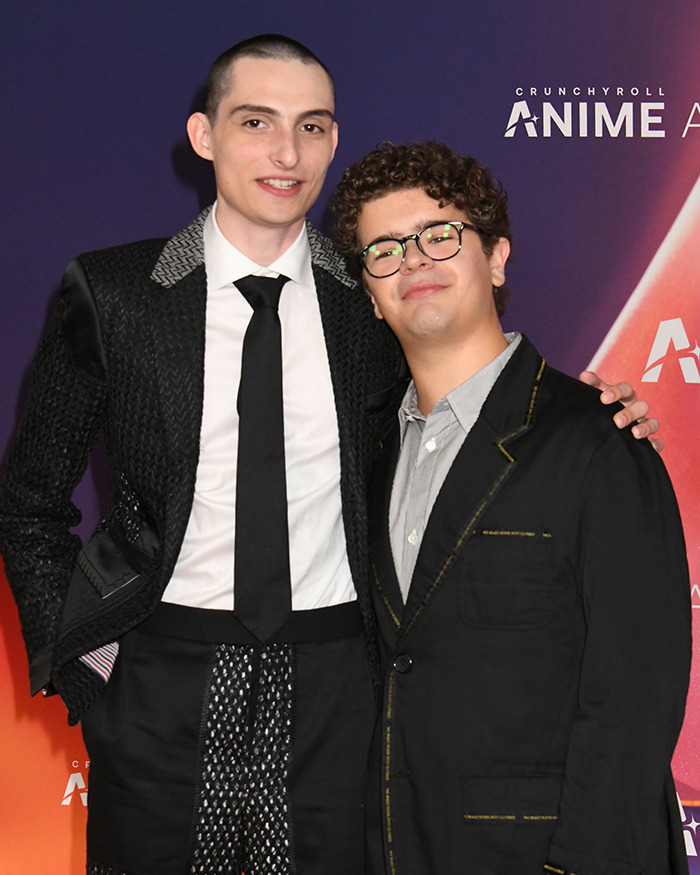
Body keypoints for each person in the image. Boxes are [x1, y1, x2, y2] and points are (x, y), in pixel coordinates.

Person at [0, 37, 662, 875]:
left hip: (340, 690)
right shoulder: (116, 292)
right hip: (160, 685)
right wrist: (88, 671)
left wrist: (593, 410)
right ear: (204, 135)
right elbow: (29, 499)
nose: (287, 152)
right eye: (256, 122)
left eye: (311, 126)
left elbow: (467, 377)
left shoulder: (372, 294)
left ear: (333, 140)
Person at [331, 140, 691, 875]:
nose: (413, 260)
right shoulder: (364, 456)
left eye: (439, 235)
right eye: (385, 250)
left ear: (496, 258)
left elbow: (635, 694)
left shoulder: (598, 439)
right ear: (369, 291)